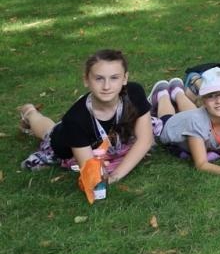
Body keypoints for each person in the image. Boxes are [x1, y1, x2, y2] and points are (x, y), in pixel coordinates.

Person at [19, 49, 154, 198]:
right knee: (49, 132)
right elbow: (90, 168)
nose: (107, 86)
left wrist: (115, 176)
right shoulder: (74, 119)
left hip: (104, 138)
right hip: (65, 145)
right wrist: (105, 176)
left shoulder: (134, 92)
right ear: (86, 80)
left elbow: (145, 140)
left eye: (114, 78)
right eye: (99, 78)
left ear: (125, 78)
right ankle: (30, 113)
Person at [153, 68, 220, 175]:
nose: (219, 101)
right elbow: (201, 164)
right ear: (203, 101)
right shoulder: (196, 122)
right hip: (170, 126)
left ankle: (178, 93)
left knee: (195, 113)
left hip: (192, 117)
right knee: (167, 118)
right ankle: (162, 95)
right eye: (211, 95)